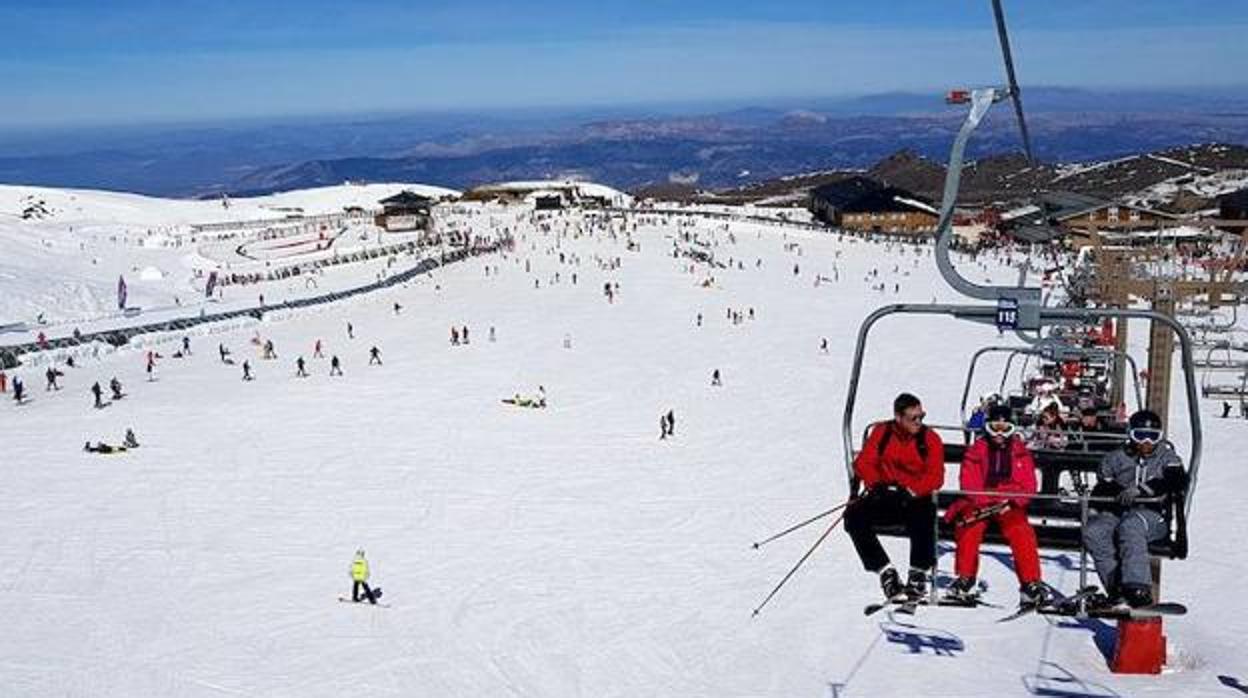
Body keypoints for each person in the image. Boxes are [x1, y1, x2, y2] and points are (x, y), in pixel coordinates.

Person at [844, 393, 945, 600]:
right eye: (913, 418)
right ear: (898, 417)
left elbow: (936, 476)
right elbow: (864, 462)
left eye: (921, 416)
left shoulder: (929, 439)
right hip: (886, 497)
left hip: (915, 498)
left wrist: (911, 490)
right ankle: (885, 571)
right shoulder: (882, 433)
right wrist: (877, 485)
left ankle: (918, 573)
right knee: (853, 517)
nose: (919, 422)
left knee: (924, 514)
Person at [1084, 410, 1189, 608]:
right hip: (1119, 511)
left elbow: (1176, 480)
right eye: (1140, 436)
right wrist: (1116, 493)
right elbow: (1103, 484)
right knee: (1094, 532)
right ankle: (1116, 589)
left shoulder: (1167, 457)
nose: (1146, 442)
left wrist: (1144, 490)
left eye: (1153, 436)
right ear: (1130, 435)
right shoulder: (1116, 458)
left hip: (1154, 516)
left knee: (1131, 526)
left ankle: (1137, 587)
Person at [944, 405, 1045, 606]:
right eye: (995, 428)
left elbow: (1028, 485)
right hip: (980, 503)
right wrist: (987, 501)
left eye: (1004, 428)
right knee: (968, 527)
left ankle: (1030, 583)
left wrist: (1012, 501)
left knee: (1021, 530)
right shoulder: (977, 451)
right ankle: (965, 578)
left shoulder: (1019, 452)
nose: (999, 434)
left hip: (1008, 504)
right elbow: (969, 482)